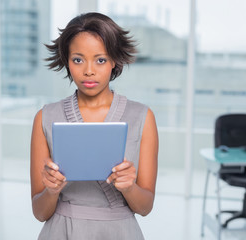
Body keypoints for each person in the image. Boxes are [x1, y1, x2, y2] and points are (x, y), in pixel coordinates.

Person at [30, 12, 158, 240]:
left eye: (100, 59)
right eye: (78, 59)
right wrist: (51, 190)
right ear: (66, 61)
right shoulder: (45, 117)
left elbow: (145, 207)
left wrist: (129, 187)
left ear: (114, 61)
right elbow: (39, 213)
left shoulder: (142, 117)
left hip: (120, 231)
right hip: (62, 231)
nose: (88, 70)